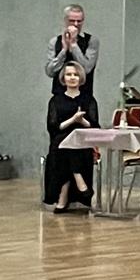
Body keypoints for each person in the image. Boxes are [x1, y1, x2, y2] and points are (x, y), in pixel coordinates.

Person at [44, 59, 98, 211]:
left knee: (70, 147)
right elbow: (53, 127)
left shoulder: (89, 100)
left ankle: (63, 196)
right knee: (65, 144)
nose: (72, 77)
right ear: (63, 78)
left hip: (82, 141)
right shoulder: (56, 101)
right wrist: (73, 120)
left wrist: (82, 121)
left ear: (81, 78)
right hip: (61, 140)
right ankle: (79, 180)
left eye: (75, 74)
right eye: (69, 74)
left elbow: (94, 126)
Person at [46, 5, 97, 97]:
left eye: (79, 21)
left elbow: (87, 69)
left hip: (84, 96)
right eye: (72, 21)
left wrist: (73, 45)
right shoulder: (54, 41)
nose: (76, 24)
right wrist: (63, 51)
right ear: (65, 20)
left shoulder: (91, 41)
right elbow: (50, 72)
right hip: (59, 97)